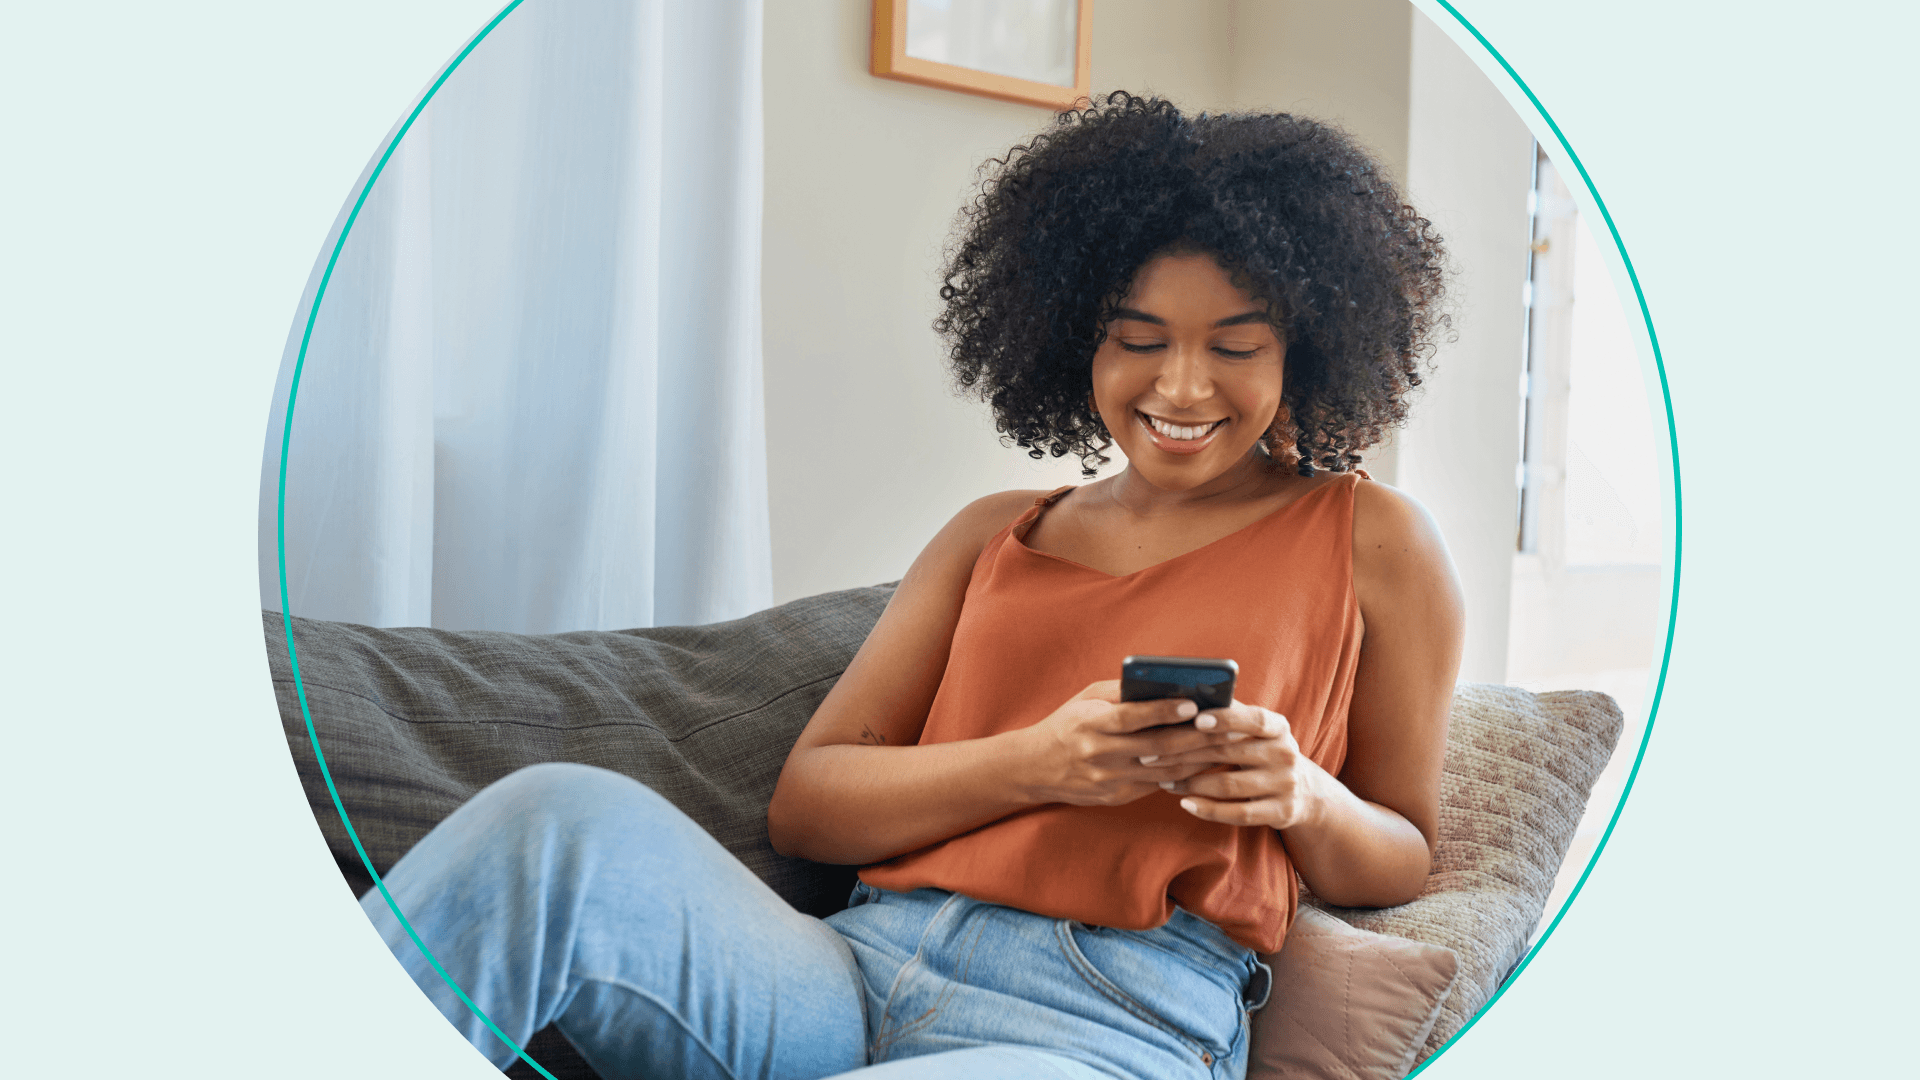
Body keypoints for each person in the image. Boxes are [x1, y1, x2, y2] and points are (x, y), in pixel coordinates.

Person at [362, 93, 1463, 1080]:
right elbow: (811, 805)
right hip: (846, 971)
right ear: (1077, 339)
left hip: (1107, 1021)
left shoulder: (1372, 542)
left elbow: (1404, 854)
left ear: (1307, 351)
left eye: (1236, 346)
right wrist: (1038, 764)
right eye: (1139, 341)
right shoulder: (993, 534)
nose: (1181, 384)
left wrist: (1305, 798)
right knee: (557, 822)